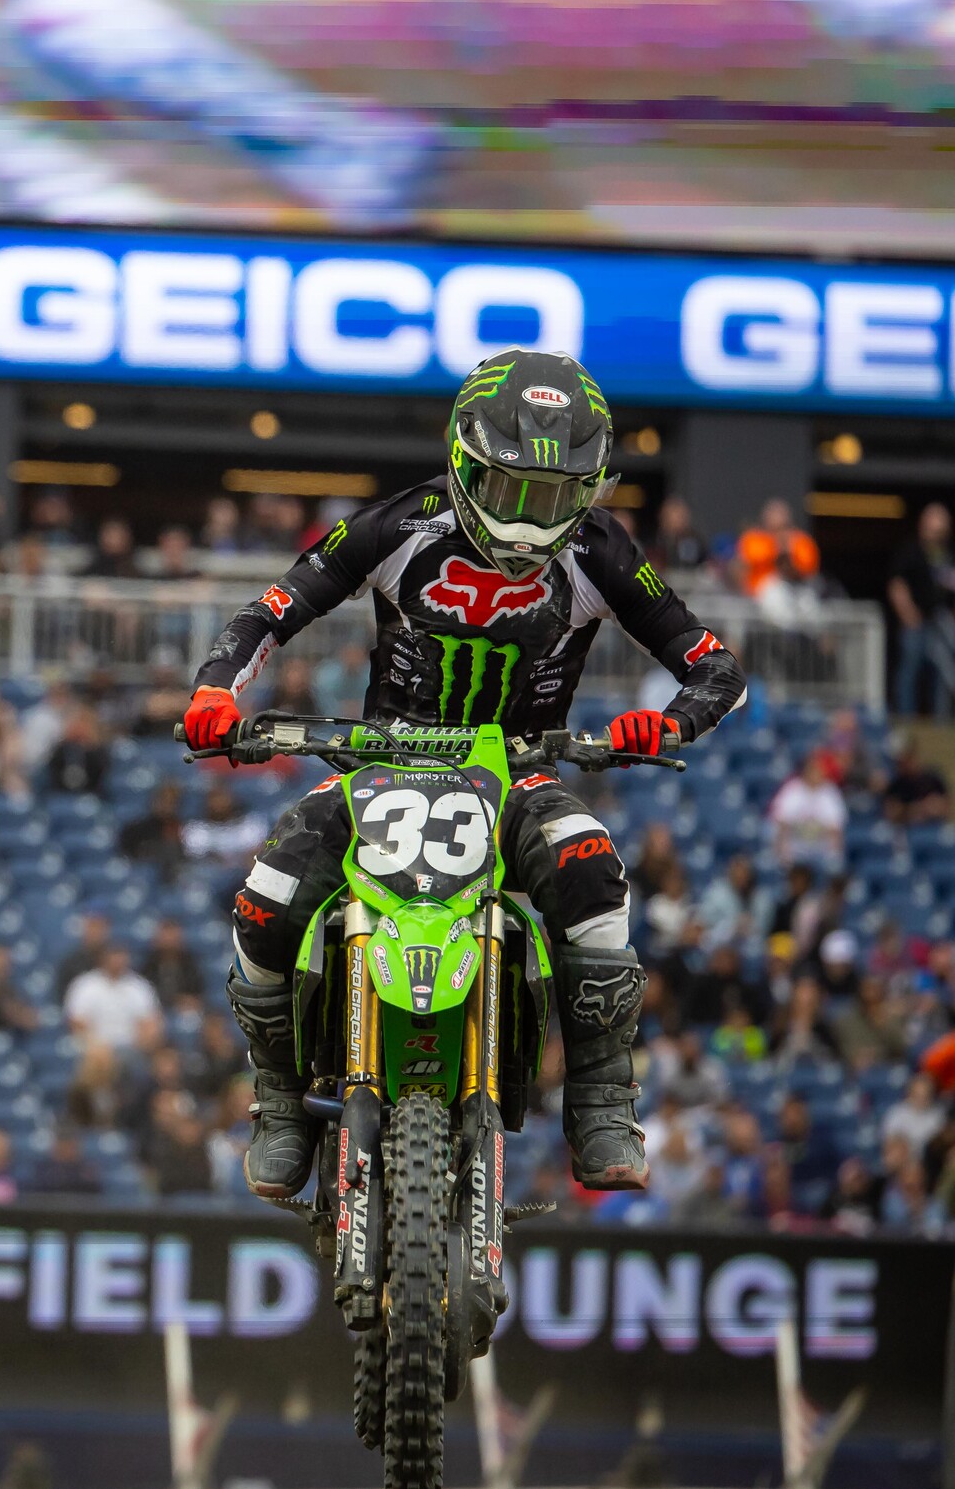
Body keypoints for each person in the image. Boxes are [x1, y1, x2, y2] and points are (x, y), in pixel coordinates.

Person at [182, 349, 746, 1197]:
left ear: (588, 491)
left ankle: (601, 1100)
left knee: (592, 873)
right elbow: (270, 612)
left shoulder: (601, 550)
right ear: (464, 460)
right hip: (383, 760)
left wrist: (669, 723)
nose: (526, 521)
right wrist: (214, 691)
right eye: (511, 489)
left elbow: (718, 670)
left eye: (552, 497)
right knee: (266, 899)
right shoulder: (396, 527)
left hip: (517, 770)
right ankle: (282, 1102)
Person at [888, 501, 955, 715]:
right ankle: (906, 717)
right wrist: (908, 614)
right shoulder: (911, 551)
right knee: (910, 669)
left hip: (940, 622)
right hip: (916, 622)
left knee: (942, 671)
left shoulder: (946, 554)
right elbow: (897, 585)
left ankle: (940, 719)